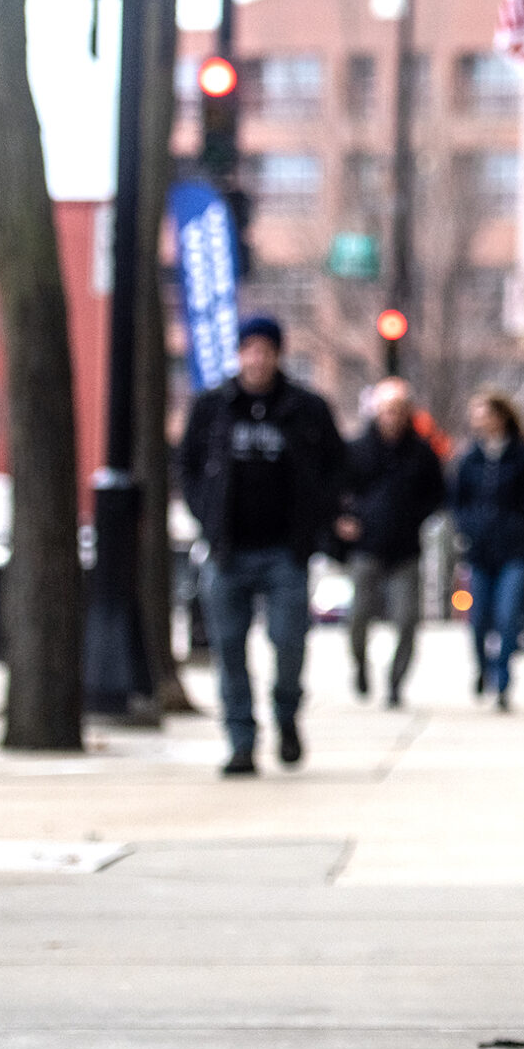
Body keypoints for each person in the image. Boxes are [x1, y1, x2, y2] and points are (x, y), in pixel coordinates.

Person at [177, 315, 347, 776]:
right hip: (228, 550)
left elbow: (336, 467)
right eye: (248, 349)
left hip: (285, 552)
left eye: (265, 349)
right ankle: (241, 741)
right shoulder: (213, 407)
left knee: (288, 643)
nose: (256, 358)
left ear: (277, 354)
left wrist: (316, 523)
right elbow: (187, 466)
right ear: (239, 354)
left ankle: (286, 715)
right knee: (229, 648)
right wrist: (205, 515)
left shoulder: (306, 408)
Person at [336, 378, 446, 709]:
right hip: (366, 547)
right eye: (386, 410)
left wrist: (417, 517)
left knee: (407, 619)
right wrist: (344, 519)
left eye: (398, 410)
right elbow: (337, 491)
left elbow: (437, 494)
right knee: (357, 617)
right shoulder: (357, 449)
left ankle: (396, 682)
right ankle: (359, 665)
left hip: (405, 550)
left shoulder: (422, 453)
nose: (391, 417)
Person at [448, 389, 524, 712]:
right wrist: (467, 528)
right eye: (476, 414)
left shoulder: (521, 458)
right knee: (479, 618)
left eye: (485, 413)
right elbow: (456, 502)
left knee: (508, 617)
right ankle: (483, 668)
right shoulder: (469, 458)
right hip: (480, 552)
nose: (479, 420)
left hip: (515, 552)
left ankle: (503, 680)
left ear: (500, 416)